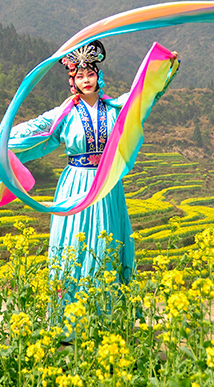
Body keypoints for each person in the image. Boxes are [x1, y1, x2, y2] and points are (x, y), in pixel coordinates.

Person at [9, 41, 134, 307]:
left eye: (90, 74)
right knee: (73, 245)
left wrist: (167, 68)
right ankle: (69, 316)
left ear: (99, 76)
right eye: (80, 76)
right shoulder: (64, 113)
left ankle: (107, 313)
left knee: (106, 240)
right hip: (76, 183)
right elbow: (34, 128)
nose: (86, 80)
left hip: (106, 184)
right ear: (72, 81)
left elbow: (145, 96)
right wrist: (0, 140)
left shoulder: (116, 108)